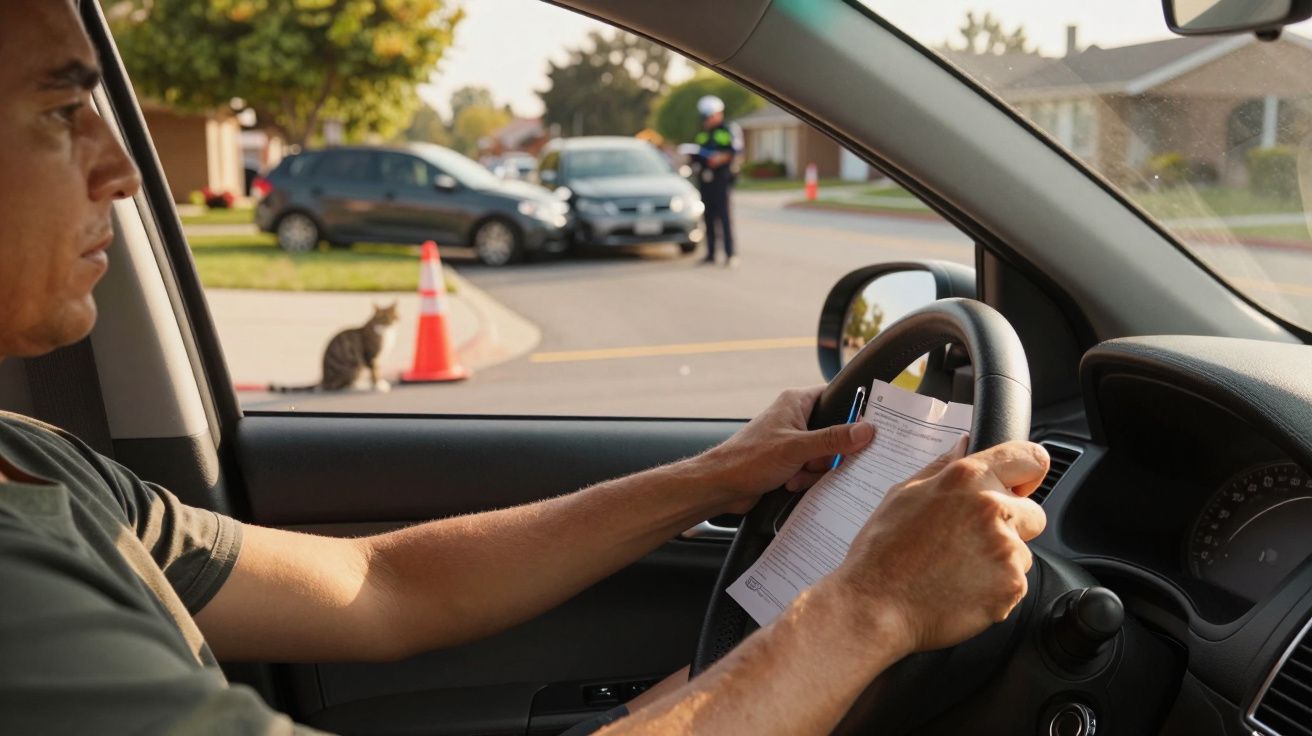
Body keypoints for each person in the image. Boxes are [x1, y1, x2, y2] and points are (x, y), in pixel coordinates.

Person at [0, 2, 1049, 734]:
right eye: (59, 112)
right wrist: (867, 611)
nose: (123, 167)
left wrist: (717, 474)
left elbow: (382, 586)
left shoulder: (40, 466)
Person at [692, 95, 742, 267]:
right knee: (708, 218)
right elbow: (698, 154)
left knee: (724, 217)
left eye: (708, 116)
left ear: (717, 114)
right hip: (705, 181)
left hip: (721, 180)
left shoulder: (727, 131)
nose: (706, 120)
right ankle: (711, 253)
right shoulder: (703, 134)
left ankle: (730, 254)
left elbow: (734, 153)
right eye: (704, 117)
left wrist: (719, 158)